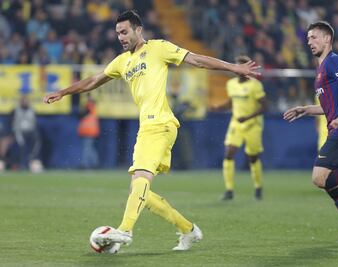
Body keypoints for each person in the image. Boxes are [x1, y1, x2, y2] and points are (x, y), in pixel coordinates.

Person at [44, 10, 260, 252]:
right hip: (147, 127)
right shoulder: (121, 61)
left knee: (141, 179)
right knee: (139, 190)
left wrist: (233, 67)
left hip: (160, 124)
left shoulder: (158, 48)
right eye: (117, 34)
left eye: (125, 32)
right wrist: (64, 92)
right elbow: (93, 80)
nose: (120, 37)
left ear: (138, 30)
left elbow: (197, 59)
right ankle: (188, 230)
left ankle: (124, 231)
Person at [284, 21, 338, 243]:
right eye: (308, 38)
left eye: (314, 37)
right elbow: (331, 106)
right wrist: (306, 109)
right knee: (330, 182)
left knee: (319, 178)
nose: (309, 42)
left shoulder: (333, 61)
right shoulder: (322, 68)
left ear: (327, 39)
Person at [211, 55, 266, 201]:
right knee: (229, 153)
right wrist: (218, 107)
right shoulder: (231, 84)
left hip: (253, 124)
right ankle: (229, 190)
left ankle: (258, 187)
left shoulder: (255, 85)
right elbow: (231, 103)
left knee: (253, 158)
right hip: (236, 123)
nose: (238, 70)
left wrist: (247, 118)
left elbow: (264, 106)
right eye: (236, 67)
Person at [12, 94, 43, 173]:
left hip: (30, 130)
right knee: (21, 146)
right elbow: (13, 124)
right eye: (24, 101)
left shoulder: (32, 110)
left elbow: (34, 122)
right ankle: (21, 165)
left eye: (27, 101)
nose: (25, 103)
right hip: (20, 131)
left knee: (37, 142)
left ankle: (32, 159)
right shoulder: (16, 110)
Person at [77, 95, 100, 169]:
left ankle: (84, 164)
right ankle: (95, 163)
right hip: (88, 131)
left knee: (87, 148)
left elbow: (82, 113)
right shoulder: (91, 107)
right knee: (90, 148)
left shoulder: (89, 106)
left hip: (89, 131)